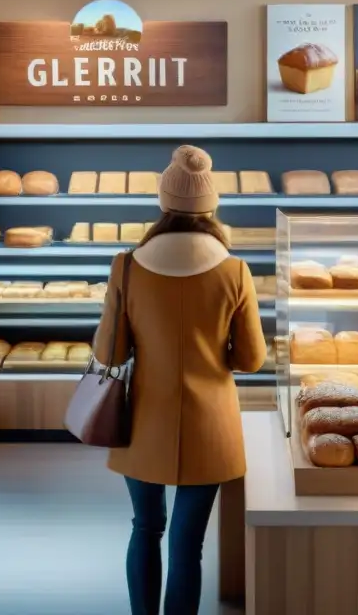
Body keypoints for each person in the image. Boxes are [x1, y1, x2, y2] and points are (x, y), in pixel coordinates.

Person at [93, 145, 268, 615]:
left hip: (142, 422)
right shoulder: (235, 270)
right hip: (211, 425)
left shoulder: (126, 266)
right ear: (211, 208)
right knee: (188, 546)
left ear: (163, 204)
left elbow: (109, 354)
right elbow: (252, 359)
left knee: (145, 528)